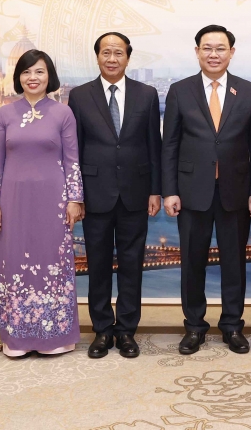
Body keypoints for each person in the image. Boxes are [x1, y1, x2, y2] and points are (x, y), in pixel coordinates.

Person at [162, 25, 251, 356]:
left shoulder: (247, 90)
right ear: (197, 52)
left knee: (234, 262)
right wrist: (169, 191)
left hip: (235, 190)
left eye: (220, 48)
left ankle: (233, 326)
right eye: (207, 48)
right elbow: (170, 145)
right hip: (192, 191)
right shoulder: (180, 91)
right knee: (192, 262)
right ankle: (194, 327)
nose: (213, 54)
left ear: (231, 53)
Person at [67, 32, 162, 359]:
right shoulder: (79, 96)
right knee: (97, 265)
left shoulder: (147, 94)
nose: (112, 58)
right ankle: (102, 330)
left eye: (118, 53)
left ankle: (126, 331)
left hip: (136, 192)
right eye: (106, 52)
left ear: (128, 58)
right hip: (95, 193)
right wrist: (76, 195)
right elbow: (75, 150)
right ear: (97, 57)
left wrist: (155, 190)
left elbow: (154, 145)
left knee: (132, 265)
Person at [0, 49, 83, 357]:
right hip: (13, 201)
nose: (33, 77)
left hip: (54, 201)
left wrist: (75, 199)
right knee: (13, 261)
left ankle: (56, 336)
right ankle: (17, 337)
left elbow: (72, 161)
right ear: (18, 77)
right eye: (26, 72)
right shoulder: (4, 114)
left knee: (54, 261)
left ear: (49, 76)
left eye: (39, 71)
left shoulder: (63, 113)